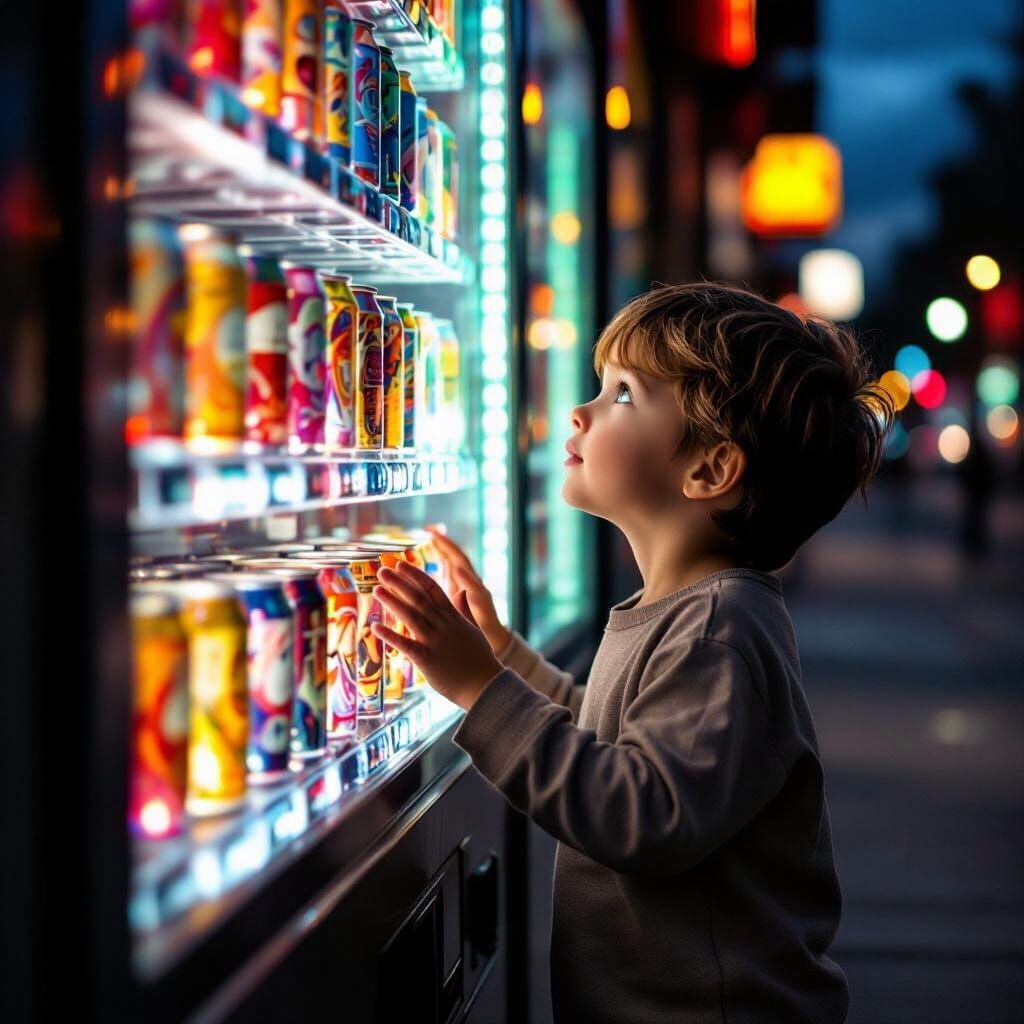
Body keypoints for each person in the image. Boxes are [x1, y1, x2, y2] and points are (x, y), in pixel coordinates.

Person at [371, 282, 893, 1024]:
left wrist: (483, 690)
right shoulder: (686, 610)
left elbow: (642, 813)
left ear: (710, 470)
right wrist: (501, 654)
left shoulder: (720, 630)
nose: (580, 410)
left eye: (622, 394)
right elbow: (609, 734)